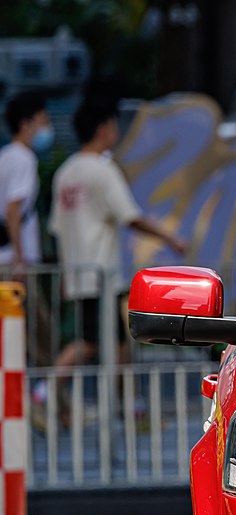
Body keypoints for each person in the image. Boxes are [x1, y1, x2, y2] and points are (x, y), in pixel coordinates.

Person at [49, 97, 187, 369]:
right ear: (102, 129)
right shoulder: (103, 170)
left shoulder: (65, 173)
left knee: (107, 341)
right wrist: (171, 239)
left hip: (79, 274)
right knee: (96, 342)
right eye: (114, 126)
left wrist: (65, 273)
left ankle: (118, 401)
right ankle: (51, 390)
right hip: (101, 273)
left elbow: (57, 228)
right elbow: (131, 217)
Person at [0, 91, 53, 277]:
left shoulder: (6, 155)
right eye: (43, 122)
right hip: (14, 258)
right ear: (25, 125)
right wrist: (20, 260)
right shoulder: (24, 159)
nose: (47, 128)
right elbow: (13, 209)